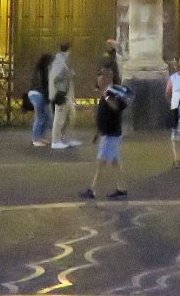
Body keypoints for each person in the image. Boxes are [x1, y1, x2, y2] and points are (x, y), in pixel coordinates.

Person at [81, 71, 131, 200]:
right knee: (115, 161)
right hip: (108, 132)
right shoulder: (106, 93)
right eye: (99, 76)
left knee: (101, 162)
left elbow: (115, 108)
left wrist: (106, 96)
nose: (100, 79)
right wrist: (97, 133)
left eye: (102, 76)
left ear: (108, 79)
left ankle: (93, 189)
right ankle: (121, 188)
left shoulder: (112, 92)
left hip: (111, 133)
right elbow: (102, 116)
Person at [48, 42, 77, 149]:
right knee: (59, 118)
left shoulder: (65, 61)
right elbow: (55, 78)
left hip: (67, 94)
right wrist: (67, 75)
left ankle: (64, 138)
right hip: (60, 94)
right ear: (67, 51)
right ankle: (55, 141)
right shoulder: (58, 62)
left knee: (70, 116)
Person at [27, 51, 53, 147]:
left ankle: (39, 137)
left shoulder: (40, 70)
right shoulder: (43, 71)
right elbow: (43, 86)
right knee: (40, 117)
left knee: (44, 117)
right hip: (38, 95)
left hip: (36, 94)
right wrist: (47, 99)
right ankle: (35, 139)